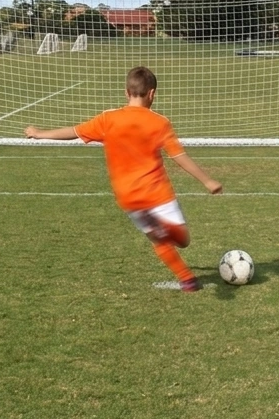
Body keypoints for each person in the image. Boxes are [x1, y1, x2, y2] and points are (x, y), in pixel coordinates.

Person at [25, 66, 223, 292]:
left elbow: (74, 132)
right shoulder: (159, 123)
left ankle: (187, 280)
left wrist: (40, 133)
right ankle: (168, 234)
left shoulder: (108, 119)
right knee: (183, 240)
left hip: (129, 197)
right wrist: (207, 181)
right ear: (152, 94)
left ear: (126, 93)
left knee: (157, 239)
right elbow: (179, 156)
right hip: (157, 193)